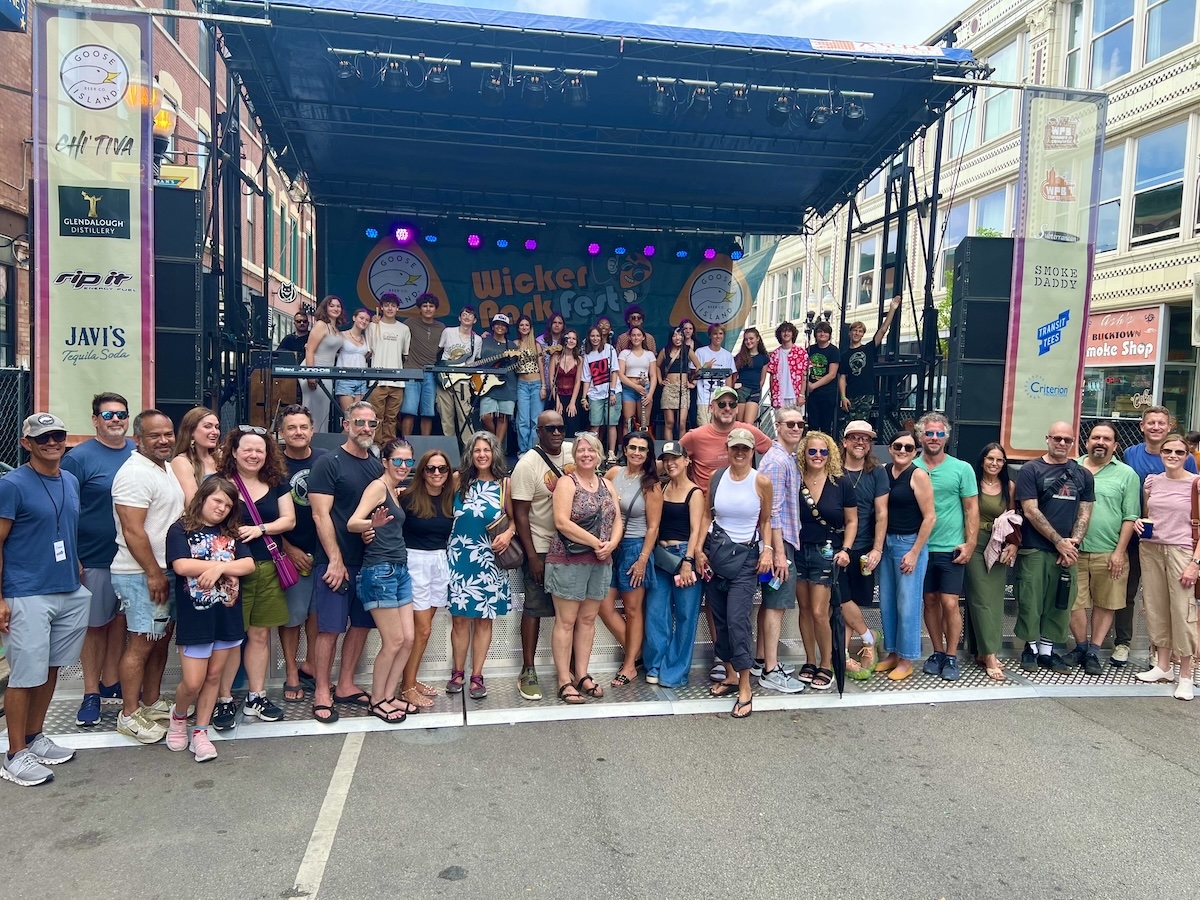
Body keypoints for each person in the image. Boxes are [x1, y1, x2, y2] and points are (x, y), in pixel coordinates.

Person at [0, 414, 90, 786]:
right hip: (26, 591)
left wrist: (77, 562)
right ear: (26, 444)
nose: (51, 442)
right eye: (42, 438)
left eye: (57, 436)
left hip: (67, 587)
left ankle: (35, 737)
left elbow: (62, 527)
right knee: (24, 674)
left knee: (52, 667)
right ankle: (14, 753)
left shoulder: (69, 479)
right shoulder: (12, 485)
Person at [164, 478, 256, 763]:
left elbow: (249, 565)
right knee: (193, 682)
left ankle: (201, 732)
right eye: (217, 501)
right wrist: (221, 567)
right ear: (203, 498)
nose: (222, 508)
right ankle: (179, 717)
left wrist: (219, 569)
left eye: (228, 505)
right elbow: (181, 565)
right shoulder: (180, 529)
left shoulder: (232, 534)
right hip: (196, 617)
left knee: (214, 676)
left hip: (226, 616)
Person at [213, 425, 296, 727]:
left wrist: (260, 529)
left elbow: (289, 520)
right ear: (233, 451)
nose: (253, 454)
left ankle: (255, 696)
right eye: (247, 449)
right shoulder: (220, 483)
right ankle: (223, 699)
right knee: (231, 638)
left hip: (267, 568)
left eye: (259, 450)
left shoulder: (277, 482)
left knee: (260, 635)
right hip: (232, 572)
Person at [112, 410, 185, 743]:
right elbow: (133, 530)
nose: (164, 440)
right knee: (141, 643)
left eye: (168, 433)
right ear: (137, 438)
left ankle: (152, 702)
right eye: (155, 435)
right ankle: (129, 715)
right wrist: (154, 573)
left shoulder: (164, 467)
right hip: (141, 573)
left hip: (163, 571)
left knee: (159, 640)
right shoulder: (133, 473)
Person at [62, 393, 135, 727]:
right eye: (108, 415)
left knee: (120, 623)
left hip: (134, 558)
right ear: (95, 420)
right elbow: (61, 508)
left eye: (121, 414)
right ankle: (91, 692)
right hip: (94, 556)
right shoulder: (78, 458)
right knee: (94, 626)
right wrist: (71, 556)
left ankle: (110, 682)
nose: (115, 420)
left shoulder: (139, 452)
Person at [307, 402, 383, 724]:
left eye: (371, 424)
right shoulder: (329, 463)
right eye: (359, 422)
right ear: (346, 425)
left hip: (368, 564)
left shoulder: (377, 466)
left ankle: (346, 684)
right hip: (336, 563)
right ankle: (322, 691)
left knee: (362, 626)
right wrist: (335, 560)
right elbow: (319, 514)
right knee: (330, 629)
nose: (366, 428)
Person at [1115, 405, 1197, 666]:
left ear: (1169, 426)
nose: (1156, 427)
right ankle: (1124, 643)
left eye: (1161, 423)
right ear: (1142, 426)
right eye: (1151, 423)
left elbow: (1192, 499)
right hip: (1139, 535)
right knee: (1136, 594)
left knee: (1176, 601)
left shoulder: (1190, 463)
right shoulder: (1131, 454)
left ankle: (1165, 654)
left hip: (1177, 542)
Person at [702, 428, 773, 719]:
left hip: (746, 559)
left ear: (752, 450)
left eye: (745, 448)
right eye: (735, 448)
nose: (740, 453)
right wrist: (698, 550)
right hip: (717, 555)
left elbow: (766, 520)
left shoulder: (761, 481)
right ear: (728, 449)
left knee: (737, 620)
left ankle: (745, 686)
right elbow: (708, 515)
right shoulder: (716, 478)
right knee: (719, 619)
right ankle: (730, 675)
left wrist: (767, 549)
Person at [546, 432, 622, 703]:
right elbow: (562, 522)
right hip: (569, 560)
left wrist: (611, 544)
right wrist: (597, 543)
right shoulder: (567, 483)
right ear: (574, 455)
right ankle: (564, 679)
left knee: (588, 620)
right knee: (566, 622)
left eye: (591, 450)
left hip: (600, 561)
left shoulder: (607, 484)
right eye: (581, 450)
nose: (586, 454)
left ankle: (582, 674)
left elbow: (616, 518)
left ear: (599, 454)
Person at [1013, 422, 1095, 673]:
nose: (1062, 443)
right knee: (1030, 600)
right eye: (1057, 438)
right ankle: (1031, 648)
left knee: (1060, 602)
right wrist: (1058, 542)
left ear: (1073, 443)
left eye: (1067, 440)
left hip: (1067, 552)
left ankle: (1047, 652)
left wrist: (1073, 544)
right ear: (1047, 438)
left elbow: (1085, 512)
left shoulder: (1083, 474)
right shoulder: (1031, 470)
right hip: (1036, 548)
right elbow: (1030, 510)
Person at [348, 438, 417, 723]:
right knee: (394, 641)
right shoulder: (378, 487)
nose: (403, 466)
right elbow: (353, 522)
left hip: (399, 570)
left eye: (408, 461)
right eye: (397, 461)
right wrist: (371, 525)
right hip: (379, 571)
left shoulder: (394, 490)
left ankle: (389, 696)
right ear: (385, 462)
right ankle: (377, 701)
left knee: (408, 639)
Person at [1067, 422, 1140, 676]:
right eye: (1095, 437)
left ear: (1115, 445)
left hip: (1109, 551)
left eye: (1106, 439)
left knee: (1105, 603)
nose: (1100, 442)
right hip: (1073, 550)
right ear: (1086, 442)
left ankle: (1094, 651)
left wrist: (1120, 551)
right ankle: (1080, 646)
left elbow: (1130, 516)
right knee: (1073, 602)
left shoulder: (1127, 474)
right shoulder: (1071, 468)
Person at [447, 431, 514, 700]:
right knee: (460, 620)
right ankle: (457, 672)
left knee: (485, 621)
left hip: (490, 559)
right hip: (460, 557)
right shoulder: (457, 480)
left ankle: (477, 675)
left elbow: (515, 517)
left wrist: (509, 534)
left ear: (494, 452)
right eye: (477, 450)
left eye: (487, 450)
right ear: (470, 454)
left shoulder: (504, 485)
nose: (482, 455)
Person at [510, 411, 572, 701]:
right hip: (542, 546)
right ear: (539, 431)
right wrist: (532, 557)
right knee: (534, 608)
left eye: (561, 428)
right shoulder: (527, 465)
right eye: (550, 429)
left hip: (573, 547)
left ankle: (570, 669)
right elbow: (520, 515)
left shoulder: (574, 451)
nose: (557, 433)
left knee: (569, 612)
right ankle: (528, 669)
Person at [1134, 433, 1200, 699]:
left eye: (1178, 452)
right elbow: (1150, 514)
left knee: (1182, 612)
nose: (1172, 456)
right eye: (1167, 451)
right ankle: (1163, 666)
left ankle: (1186, 674)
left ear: (1188, 456)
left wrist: (1195, 563)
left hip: (1181, 551)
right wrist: (1140, 522)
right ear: (1160, 454)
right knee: (1155, 606)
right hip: (1151, 549)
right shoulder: (1152, 482)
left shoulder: (1195, 485)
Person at [914, 413, 978, 682]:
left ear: (947, 437)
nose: (934, 438)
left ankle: (951, 656)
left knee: (950, 603)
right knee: (929, 601)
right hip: (920, 548)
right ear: (920, 435)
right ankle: (937, 652)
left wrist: (970, 543)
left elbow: (971, 508)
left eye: (939, 434)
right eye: (929, 433)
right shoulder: (911, 465)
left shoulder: (962, 469)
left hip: (951, 548)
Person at [794, 430, 858, 690]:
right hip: (798, 550)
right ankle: (809, 660)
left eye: (823, 451)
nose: (818, 456)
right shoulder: (796, 479)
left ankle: (826, 663)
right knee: (805, 609)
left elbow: (852, 520)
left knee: (821, 611)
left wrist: (847, 549)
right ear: (804, 454)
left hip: (827, 551)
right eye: (812, 451)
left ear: (830, 454)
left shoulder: (840, 481)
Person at [601, 430, 661, 687]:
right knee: (603, 606)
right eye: (633, 447)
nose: (637, 452)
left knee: (633, 610)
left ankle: (629, 666)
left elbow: (653, 527)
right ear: (624, 449)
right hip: (611, 548)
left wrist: (643, 559)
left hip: (635, 548)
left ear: (648, 454)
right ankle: (637, 651)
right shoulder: (613, 474)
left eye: (642, 449)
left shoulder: (651, 485)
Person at [642, 441, 705, 688]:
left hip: (683, 556)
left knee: (686, 615)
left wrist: (688, 561)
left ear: (687, 460)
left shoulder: (695, 492)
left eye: (675, 458)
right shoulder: (662, 487)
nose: (671, 463)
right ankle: (655, 665)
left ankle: (675, 671)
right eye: (666, 459)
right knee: (656, 614)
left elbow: (696, 530)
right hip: (661, 557)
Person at [874, 430, 935, 681]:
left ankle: (907, 658)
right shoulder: (884, 471)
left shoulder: (918, 475)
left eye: (909, 448)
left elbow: (930, 517)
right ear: (890, 448)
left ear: (916, 453)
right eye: (898, 446)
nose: (902, 451)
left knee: (907, 604)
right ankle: (892, 653)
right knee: (887, 601)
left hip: (909, 543)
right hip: (887, 542)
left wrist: (914, 552)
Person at [753, 406, 806, 693]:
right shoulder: (776, 462)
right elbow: (770, 512)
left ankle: (762, 660)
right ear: (777, 425)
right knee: (776, 605)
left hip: (780, 541)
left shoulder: (787, 458)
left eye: (800, 424)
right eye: (790, 424)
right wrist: (777, 552)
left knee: (771, 602)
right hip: (779, 542)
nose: (796, 428)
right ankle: (771, 670)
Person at [276, 404, 326, 703]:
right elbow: (261, 510)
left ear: (312, 430)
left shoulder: (324, 460)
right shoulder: (272, 464)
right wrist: (287, 547)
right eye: (291, 428)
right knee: (292, 618)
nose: (298, 432)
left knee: (317, 617)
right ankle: (292, 673)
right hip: (287, 553)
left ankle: (310, 665)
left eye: (303, 427)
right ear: (282, 433)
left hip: (321, 553)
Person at [397, 449, 454, 709]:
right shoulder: (407, 497)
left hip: (439, 563)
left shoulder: (449, 498)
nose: (436, 473)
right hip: (414, 563)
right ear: (422, 471)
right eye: (431, 468)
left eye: (442, 469)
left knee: (424, 630)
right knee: (422, 630)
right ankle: (407, 687)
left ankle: (410, 679)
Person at [963, 443, 1017, 681]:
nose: (994, 464)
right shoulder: (971, 483)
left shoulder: (1009, 486)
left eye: (999, 460)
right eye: (990, 459)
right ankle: (991, 654)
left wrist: (1013, 544)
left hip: (998, 544)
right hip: (975, 542)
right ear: (982, 460)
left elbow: (1015, 518)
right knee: (980, 598)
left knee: (994, 600)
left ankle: (980, 651)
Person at [839, 420, 888, 679]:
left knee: (854, 601)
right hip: (836, 548)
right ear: (845, 441)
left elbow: (881, 513)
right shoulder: (832, 469)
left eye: (866, 439)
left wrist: (877, 549)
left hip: (864, 549)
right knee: (840, 599)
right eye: (855, 437)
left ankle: (844, 655)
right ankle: (869, 638)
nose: (861, 442)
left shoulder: (877, 472)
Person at [679, 386, 772, 493]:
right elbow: (672, 459)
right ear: (711, 408)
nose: (727, 408)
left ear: (737, 409)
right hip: (706, 505)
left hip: (741, 502)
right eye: (721, 404)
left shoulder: (748, 431)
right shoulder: (695, 436)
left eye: (732, 404)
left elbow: (773, 450)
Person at [838, 295, 901, 426]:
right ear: (850, 333)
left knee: (862, 424)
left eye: (860, 331)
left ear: (863, 334)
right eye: (854, 330)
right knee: (849, 426)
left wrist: (892, 309)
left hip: (866, 393)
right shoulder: (844, 355)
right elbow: (842, 377)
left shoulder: (868, 349)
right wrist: (843, 397)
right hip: (851, 394)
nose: (856, 333)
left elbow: (883, 330)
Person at [365, 293, 412, 444]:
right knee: (376, 417)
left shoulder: (404, 329)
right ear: (381, 308)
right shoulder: (373, 326)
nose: (390, 308)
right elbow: (368, 351)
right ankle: (376, 447)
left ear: (398, 308)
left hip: (397, 382)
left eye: (393, 305)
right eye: (387, 305)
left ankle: (388, 447)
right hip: (377, 381)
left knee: (392, 419)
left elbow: (405, 354)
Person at [436, 306, 482, 446]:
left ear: (474, 320)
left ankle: (469, 448)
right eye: (464, 314)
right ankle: (449, 448)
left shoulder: (477, 340)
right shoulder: (448, 332)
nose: (467, 317)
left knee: (465, 415)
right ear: (459, 317)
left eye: (471, 315)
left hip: (463, 380)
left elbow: (476, 360)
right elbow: (440, 352)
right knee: (446, 416)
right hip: (445, 377)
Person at [400, 293, 445, 437]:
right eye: (424, 306)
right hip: (412, 371)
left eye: (431, 306)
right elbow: (394, 330)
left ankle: (425, 446)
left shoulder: (441, 327)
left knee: (428, 412)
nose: (428, 309)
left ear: (435, 309)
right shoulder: (409, 323)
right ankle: (404, 443)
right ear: (420, 308)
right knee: (409, 411)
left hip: (430, 373)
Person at [303, 294, 347, 432]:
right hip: (314, 369)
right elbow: (310, 349)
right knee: (312, 410)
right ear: (325, 308)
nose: (335, 308)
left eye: (338, 306)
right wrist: (311, 374)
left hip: (327, 372)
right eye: (332, 305)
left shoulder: (334, 328)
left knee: (323, 411)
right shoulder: (321, 325)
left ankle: (320, 440)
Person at [582, 325, 621, 462]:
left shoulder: (609, 349)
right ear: (588, 337)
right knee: (595, 424)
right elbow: (586, 379)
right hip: (595, 394)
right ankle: (595, 452)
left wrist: (612, 391)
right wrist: (583, 398)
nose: (595, 338)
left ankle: (611, 452)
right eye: (592, 336)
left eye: (597, 336)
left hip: (612, 392)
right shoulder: (587, 355)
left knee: (611, 423)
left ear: (602, 336)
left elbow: (615, 371)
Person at [480, 314, 517, 448]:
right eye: (497, 324)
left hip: (507, 385)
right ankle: (495, 442)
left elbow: (517, 366)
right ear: (492, 326)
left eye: (503, 325)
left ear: (507, 329)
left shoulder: (512, 345)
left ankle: (497, 449)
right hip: (487, 385)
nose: (500, 327)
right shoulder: (483, 341)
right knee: (486, 416)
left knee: (503, 417)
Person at [170, 407, 221, 504]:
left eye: (217, 427)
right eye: (208, 426)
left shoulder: (220, 457)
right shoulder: (182, 462)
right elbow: (192, 504)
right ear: (191, 431)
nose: (215, 432)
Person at [657, 326, 698, 441]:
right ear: (671, 337)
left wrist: (692, 383)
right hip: (669, 388)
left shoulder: (688, 350)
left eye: (680, 335)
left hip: (683, 389)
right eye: (674, 335)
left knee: (681, 423)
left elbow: (699, 367)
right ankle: (669, 448)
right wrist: (660, 381)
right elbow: (656, 365)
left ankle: (681, 450)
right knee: (669, 422)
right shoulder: (665, 351)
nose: (677, 338)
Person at [514, 314, 547, 455]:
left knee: (535, 420)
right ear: (518, 327)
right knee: (522, 420)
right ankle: (522, 450)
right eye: (521, 325)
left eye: (527, 325)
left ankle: (533, 450)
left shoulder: (537, 344)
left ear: (531, 327)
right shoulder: (514, 344)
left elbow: (541, 365)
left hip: (536, 384)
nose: (524, 327)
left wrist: (544, 386)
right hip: (522, 385)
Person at [763, 321, 809, 413]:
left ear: (793, 334)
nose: (786, 333)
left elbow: (804, 376)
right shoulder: (774, 354)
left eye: (789, 331)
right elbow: (772, 377)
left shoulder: (801, 352)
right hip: (779, 396)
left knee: (795, 422)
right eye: (783, 331)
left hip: (795, 396)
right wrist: (773, 395)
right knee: (781, 422)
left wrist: (802, 395)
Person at [617, 326, 656, 434]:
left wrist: (650, 394)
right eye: (633, 335)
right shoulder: (624, 353)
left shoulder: (649, 354)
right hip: (629, 389)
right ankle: (626, 447)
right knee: (627, 422)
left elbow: (653, 375)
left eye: (639, 335)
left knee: (644, 423)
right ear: (629, 337)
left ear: (643, 337)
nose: (636, 338)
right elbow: (620, 374)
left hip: (645, 390)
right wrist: (635, 386)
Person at [694, 324, 735, 427]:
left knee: (720, 428)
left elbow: (729, 378)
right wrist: (704, 368)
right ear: (710, 336)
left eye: (720, 334)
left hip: (721, 400)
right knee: (704, 428)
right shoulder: (700, 352)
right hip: (704, 399)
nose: (718, 336)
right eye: (715, 334)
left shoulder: (728, 355)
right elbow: (692, 376)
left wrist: (728, 400)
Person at [334, 307, 371, 416]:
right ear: (354, 318)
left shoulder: (366, 338)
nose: (364, 321)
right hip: (345, 379)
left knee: (358, 417)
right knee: (349, 417)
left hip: (361, 379)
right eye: (361, 318)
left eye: (367, 320)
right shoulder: (341, 335)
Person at [805, 320, 840, 435]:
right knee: (812, 425)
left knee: (825, 426)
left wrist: (813, 386)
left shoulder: (834, 351)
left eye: (825, 332)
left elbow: (832, 374)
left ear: (829, 334)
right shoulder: (810, 350)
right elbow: (803, 370)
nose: (822, 334)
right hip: (812, 395)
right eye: (819, 332)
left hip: (827, 393)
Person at [550, 329, 583, 438]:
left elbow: (578, 381)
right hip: (557, 396)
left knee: (572, 427)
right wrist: (557, 401)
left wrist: (573, 402)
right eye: (568, 338)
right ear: (564, 339)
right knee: (556, 427)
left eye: (574, 338)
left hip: (572, 396)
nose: (571, 341)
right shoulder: (555, 357)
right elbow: (551, 380)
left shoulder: (579, 359)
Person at [733, 327, 768, 425]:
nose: (748, 341)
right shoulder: (739, 357)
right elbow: (734, 376)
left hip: (755, 391)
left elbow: (763, 378)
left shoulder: (763, 358)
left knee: (749, 423)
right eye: (746, 339)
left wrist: (757, 388)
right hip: (741, 390)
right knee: (739, 423)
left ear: (757, 339)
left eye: (751, 338)